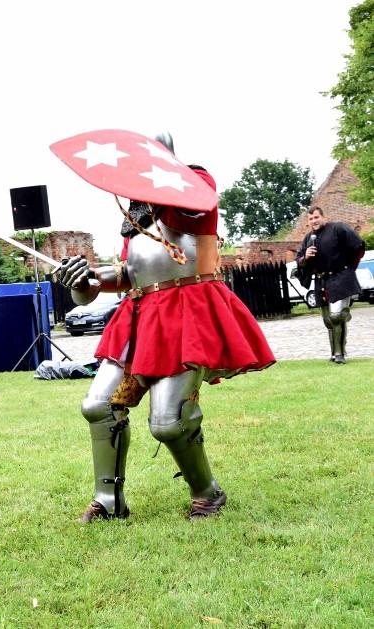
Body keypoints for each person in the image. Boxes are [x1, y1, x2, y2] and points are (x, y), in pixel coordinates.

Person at [59, 138, 275, 521]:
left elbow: (199, 203)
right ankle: (109, 501)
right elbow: (128, 273)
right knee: (98, 406)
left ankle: (208, 494)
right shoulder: (139, 214)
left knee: (168, 421)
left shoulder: (192, 186)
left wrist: (159, 174)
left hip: (186, 311)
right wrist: (87, 279)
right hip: (140, 316)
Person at [295, 206, 365, 364]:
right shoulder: (308, 238)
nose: (314, 221)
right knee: (328, 320)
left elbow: (358, 246)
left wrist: (349, 268)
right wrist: (306, 257)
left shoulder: (338, 228)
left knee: (335, 317)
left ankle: (340, 354)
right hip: (321, 281)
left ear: (323, 217)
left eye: (316, 217)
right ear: (308, 221)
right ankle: (334, 353)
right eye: (311, 219)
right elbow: (300, 260)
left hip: (340, 278)